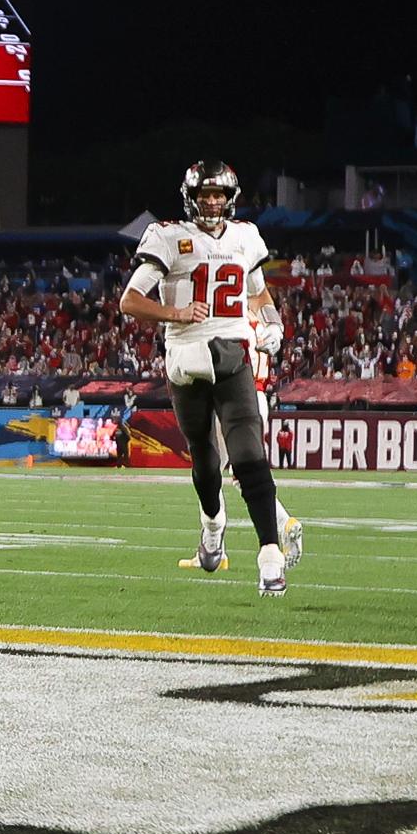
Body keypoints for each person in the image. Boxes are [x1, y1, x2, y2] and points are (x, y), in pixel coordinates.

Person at [121, 159, 304, 594]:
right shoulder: (170, 236)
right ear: (191, 198)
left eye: (218, 194)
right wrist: (176, 313)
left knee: (249, 454)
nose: (212, 202)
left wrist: (274, 324)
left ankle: (270, 555)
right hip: (187, 358)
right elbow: (130, 300)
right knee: (204, 459)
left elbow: (259, 294)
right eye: (205, 195)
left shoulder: (245, 236)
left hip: (233, 354)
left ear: (230, 198)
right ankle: (213, 528)